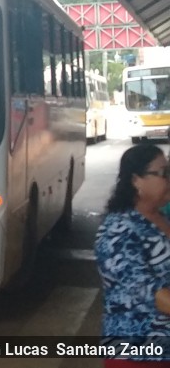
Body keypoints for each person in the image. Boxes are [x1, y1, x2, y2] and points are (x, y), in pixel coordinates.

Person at [95, 144, 170, 366]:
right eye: (163, 173)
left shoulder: (161, 219)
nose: (169, 179)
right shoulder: (117, 231)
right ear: (136, 180)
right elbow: (150, 293)